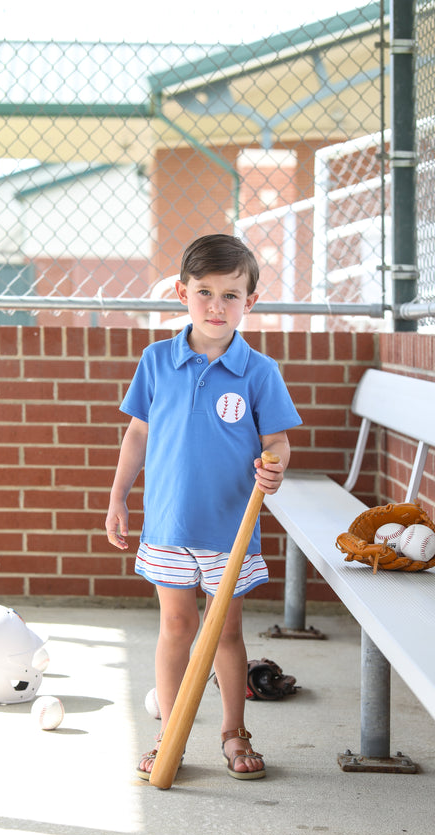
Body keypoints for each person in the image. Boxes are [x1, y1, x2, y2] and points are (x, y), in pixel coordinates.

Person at [105, 233, 302, 781]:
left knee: (225, 632)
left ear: (251, 302)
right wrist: (119, 495)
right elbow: (137, 435)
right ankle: (171, 732)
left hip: (228, 528)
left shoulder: (259, 371)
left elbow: (278, 441)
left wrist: (275, 463)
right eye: (205, 292)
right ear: (181, 292)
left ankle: (233, 732)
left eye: (231, 295)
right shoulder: (157, 360)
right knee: (176, 626)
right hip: (168, 524)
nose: (217, 306)